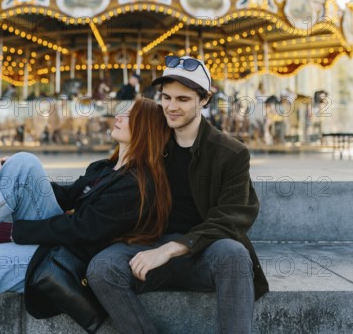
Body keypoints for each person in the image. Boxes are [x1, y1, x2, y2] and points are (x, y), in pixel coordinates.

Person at [0, 97, 172, 334]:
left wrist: (11, 232)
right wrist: (12, 176)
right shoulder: (103, 169)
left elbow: (80, 229)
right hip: (52, 242)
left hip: (59, 259)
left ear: (144, 129)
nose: (119, 116)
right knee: (22, 163)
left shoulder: (137, 185)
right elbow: (65, 197)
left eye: (130, 115)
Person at [87, 55, 269, 334]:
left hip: (204, 251)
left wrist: (169, 250)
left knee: (234, 254)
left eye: (183, 99)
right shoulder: (152, 138)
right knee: (101, 268)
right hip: (148, 245)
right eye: (166, 97)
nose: (171, 107)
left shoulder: (230, 152)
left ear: (204, 100)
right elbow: (111, 171)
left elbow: (231, 218)